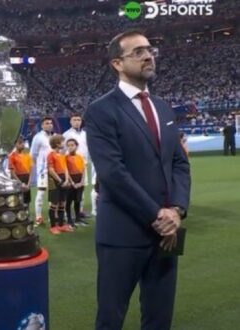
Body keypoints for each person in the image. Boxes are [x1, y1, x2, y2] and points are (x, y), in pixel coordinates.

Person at [84, 31, 190, 330]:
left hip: (167, 233)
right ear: (117, 63)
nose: (148, 56)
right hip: (122, 234)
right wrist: (158, 214)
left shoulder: (164, 107)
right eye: (138, 52)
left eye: (150, 49)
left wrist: (177, 210)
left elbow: (179, 164)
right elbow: (113, 174)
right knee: (110, 318)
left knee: (159, 319)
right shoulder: (101, 110)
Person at [62, 114, 90, 218]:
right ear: (70, 122)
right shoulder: (66, 134)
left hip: (83, 165)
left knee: (81, 190)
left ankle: (79, 212)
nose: (77, 122)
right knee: (69, 192)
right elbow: (62, 151)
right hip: (70, 167)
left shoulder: (85, 134)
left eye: (79, 120)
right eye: (74, 120)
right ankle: (65, 213)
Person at [29, 117, 54, 226]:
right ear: (42, 125)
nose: (49, 125)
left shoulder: (54, 136)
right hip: (43, 171)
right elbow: (33, 154)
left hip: (53, 170)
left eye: (51, 123)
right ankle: (38, 217)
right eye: (47, 123)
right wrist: (40, 165)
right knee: (41, 192)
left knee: (53, 193)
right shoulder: (38, 137)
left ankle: (52, 215)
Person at [46, 135, 72, 235]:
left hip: (63, 180)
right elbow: (51, 170)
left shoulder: (62, 155)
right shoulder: (50, 155)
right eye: (62, 142)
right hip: (54, 181)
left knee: (62, 203)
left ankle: (61, 225)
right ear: (57, 143)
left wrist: (66, 179)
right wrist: (60, 181)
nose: (63, 144)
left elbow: (65, 168)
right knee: (54, 204)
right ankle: (53, 227)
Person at [65, 139, 88, 227]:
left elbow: (83, 169)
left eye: (72, 145)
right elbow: (66, 171)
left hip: (79, 180)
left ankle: (78, 218)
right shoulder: (66, 158)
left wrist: (82, 181)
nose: (70, 147)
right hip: (71, 182)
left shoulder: (80, 157)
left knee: (78, 200)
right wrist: (72, 182)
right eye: (68, 145)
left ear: (76, 146)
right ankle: (69, 219)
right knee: (69, 201)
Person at [8, 136, 33, 206]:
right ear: (15, 144)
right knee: (18, 201)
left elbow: (31, 170)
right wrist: (20, 183)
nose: (22, 144)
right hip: (18, 179)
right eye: (20, 143)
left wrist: (29, 183)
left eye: (23, 143)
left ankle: (28, 215)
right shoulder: (12, 156)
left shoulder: (27, 155)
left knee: (27, 200)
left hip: (27, 179)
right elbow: (12, 173)